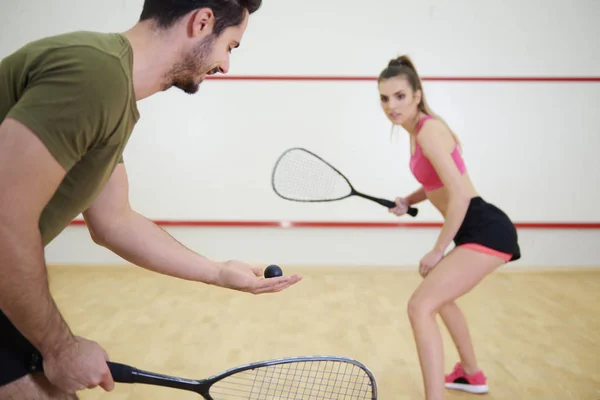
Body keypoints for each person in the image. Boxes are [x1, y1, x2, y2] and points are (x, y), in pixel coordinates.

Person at [0, 1, 303, 398]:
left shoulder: (112, 93)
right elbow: (5, 217)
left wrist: (217, 271)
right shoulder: (94, 76)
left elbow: (114, 221)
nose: (226, 66)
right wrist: (61, 348)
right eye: (230, 46)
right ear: (202, 21)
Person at [377, 55, 521, 400]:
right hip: (474, 229)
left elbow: (458, 195)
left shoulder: (429, 130)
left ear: (416, 94)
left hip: (485, 227)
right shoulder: (416, 133)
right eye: (384, 98)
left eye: (399, 96)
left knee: (420, 306)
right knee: (438, 298)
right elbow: (436, 184)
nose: (391, 105)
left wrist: (438, 250)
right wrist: (409, 200)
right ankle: (471, 375)